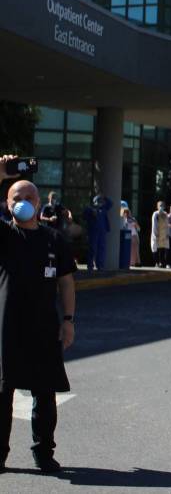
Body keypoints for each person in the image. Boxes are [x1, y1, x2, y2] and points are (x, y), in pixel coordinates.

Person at [0, 156, 76, 473]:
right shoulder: (3, 236)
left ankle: (44, 452)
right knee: (3, 394)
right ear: (7, 204)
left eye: (29, 197)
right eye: (17, 198)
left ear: (39, 201)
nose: (24, 202)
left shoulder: (54, 239)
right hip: (7, 329)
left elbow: (66, 283)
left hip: (44, 328)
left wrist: (68, 321)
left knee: (45, 394)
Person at [81, 194, 112, 270]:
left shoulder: (103, 208)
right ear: (95, 202)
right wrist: (91, 211)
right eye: (99, 201)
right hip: (93, 232)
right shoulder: (90, 209)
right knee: (92, 249)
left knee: (101, 249)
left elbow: (110, 204)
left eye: (101, 201)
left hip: (102, 232)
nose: (100, 203)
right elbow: (83, 216)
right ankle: (90, 265)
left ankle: (100, 265)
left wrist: (105, 197)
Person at [150, 201, 169, 267]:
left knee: (162, 248)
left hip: (163, 234)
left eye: (162, 205)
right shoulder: (155, 214)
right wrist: (155, 234)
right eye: (160, 205)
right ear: (157, 206)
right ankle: (157, 262)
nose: (161, 207)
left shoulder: (165, 214)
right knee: (155, 248)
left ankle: (162, 262)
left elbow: (167, 224)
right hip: (157, 234)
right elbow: (154, 224)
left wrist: (167, 233)